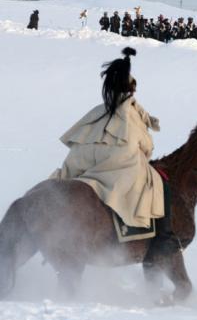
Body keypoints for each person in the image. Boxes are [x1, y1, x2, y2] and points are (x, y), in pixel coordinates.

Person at [51, 47, 164, 230]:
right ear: (131, 90)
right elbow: (147, 147)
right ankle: (158, 236)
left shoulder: (96, 112)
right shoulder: (131, 114)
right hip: (118, 167)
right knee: (156, 181)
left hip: (82, 162)